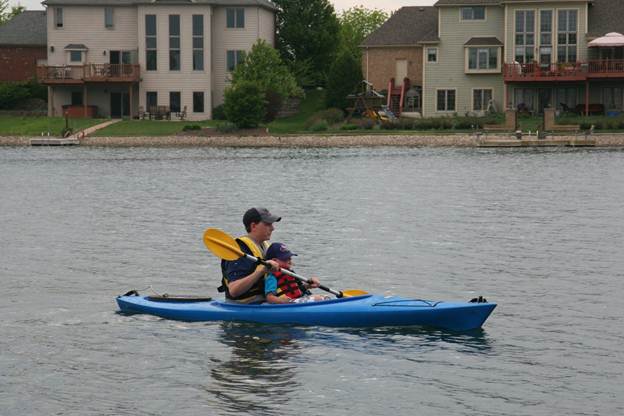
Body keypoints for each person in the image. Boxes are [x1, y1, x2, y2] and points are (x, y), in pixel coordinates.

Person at [219, 207, 281, 304]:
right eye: (268, 224)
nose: (273, 228)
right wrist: (260, 271)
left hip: (264, 302)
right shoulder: (239, 250)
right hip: (242, 306)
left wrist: (304, 285)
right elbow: (234, 290)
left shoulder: (265, 246)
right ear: (253, 226)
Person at [264, 242, 329, 304]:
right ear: (274, 261)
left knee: (325, 297)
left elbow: (298, 289)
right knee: (319, 298)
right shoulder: (272, 277)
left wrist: (307, 285)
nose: (289, 260)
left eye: (290, 257)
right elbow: (269, 297)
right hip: (289, 303)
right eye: (285, 258)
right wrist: (282, 301)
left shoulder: (290, 273)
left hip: (297, 300)